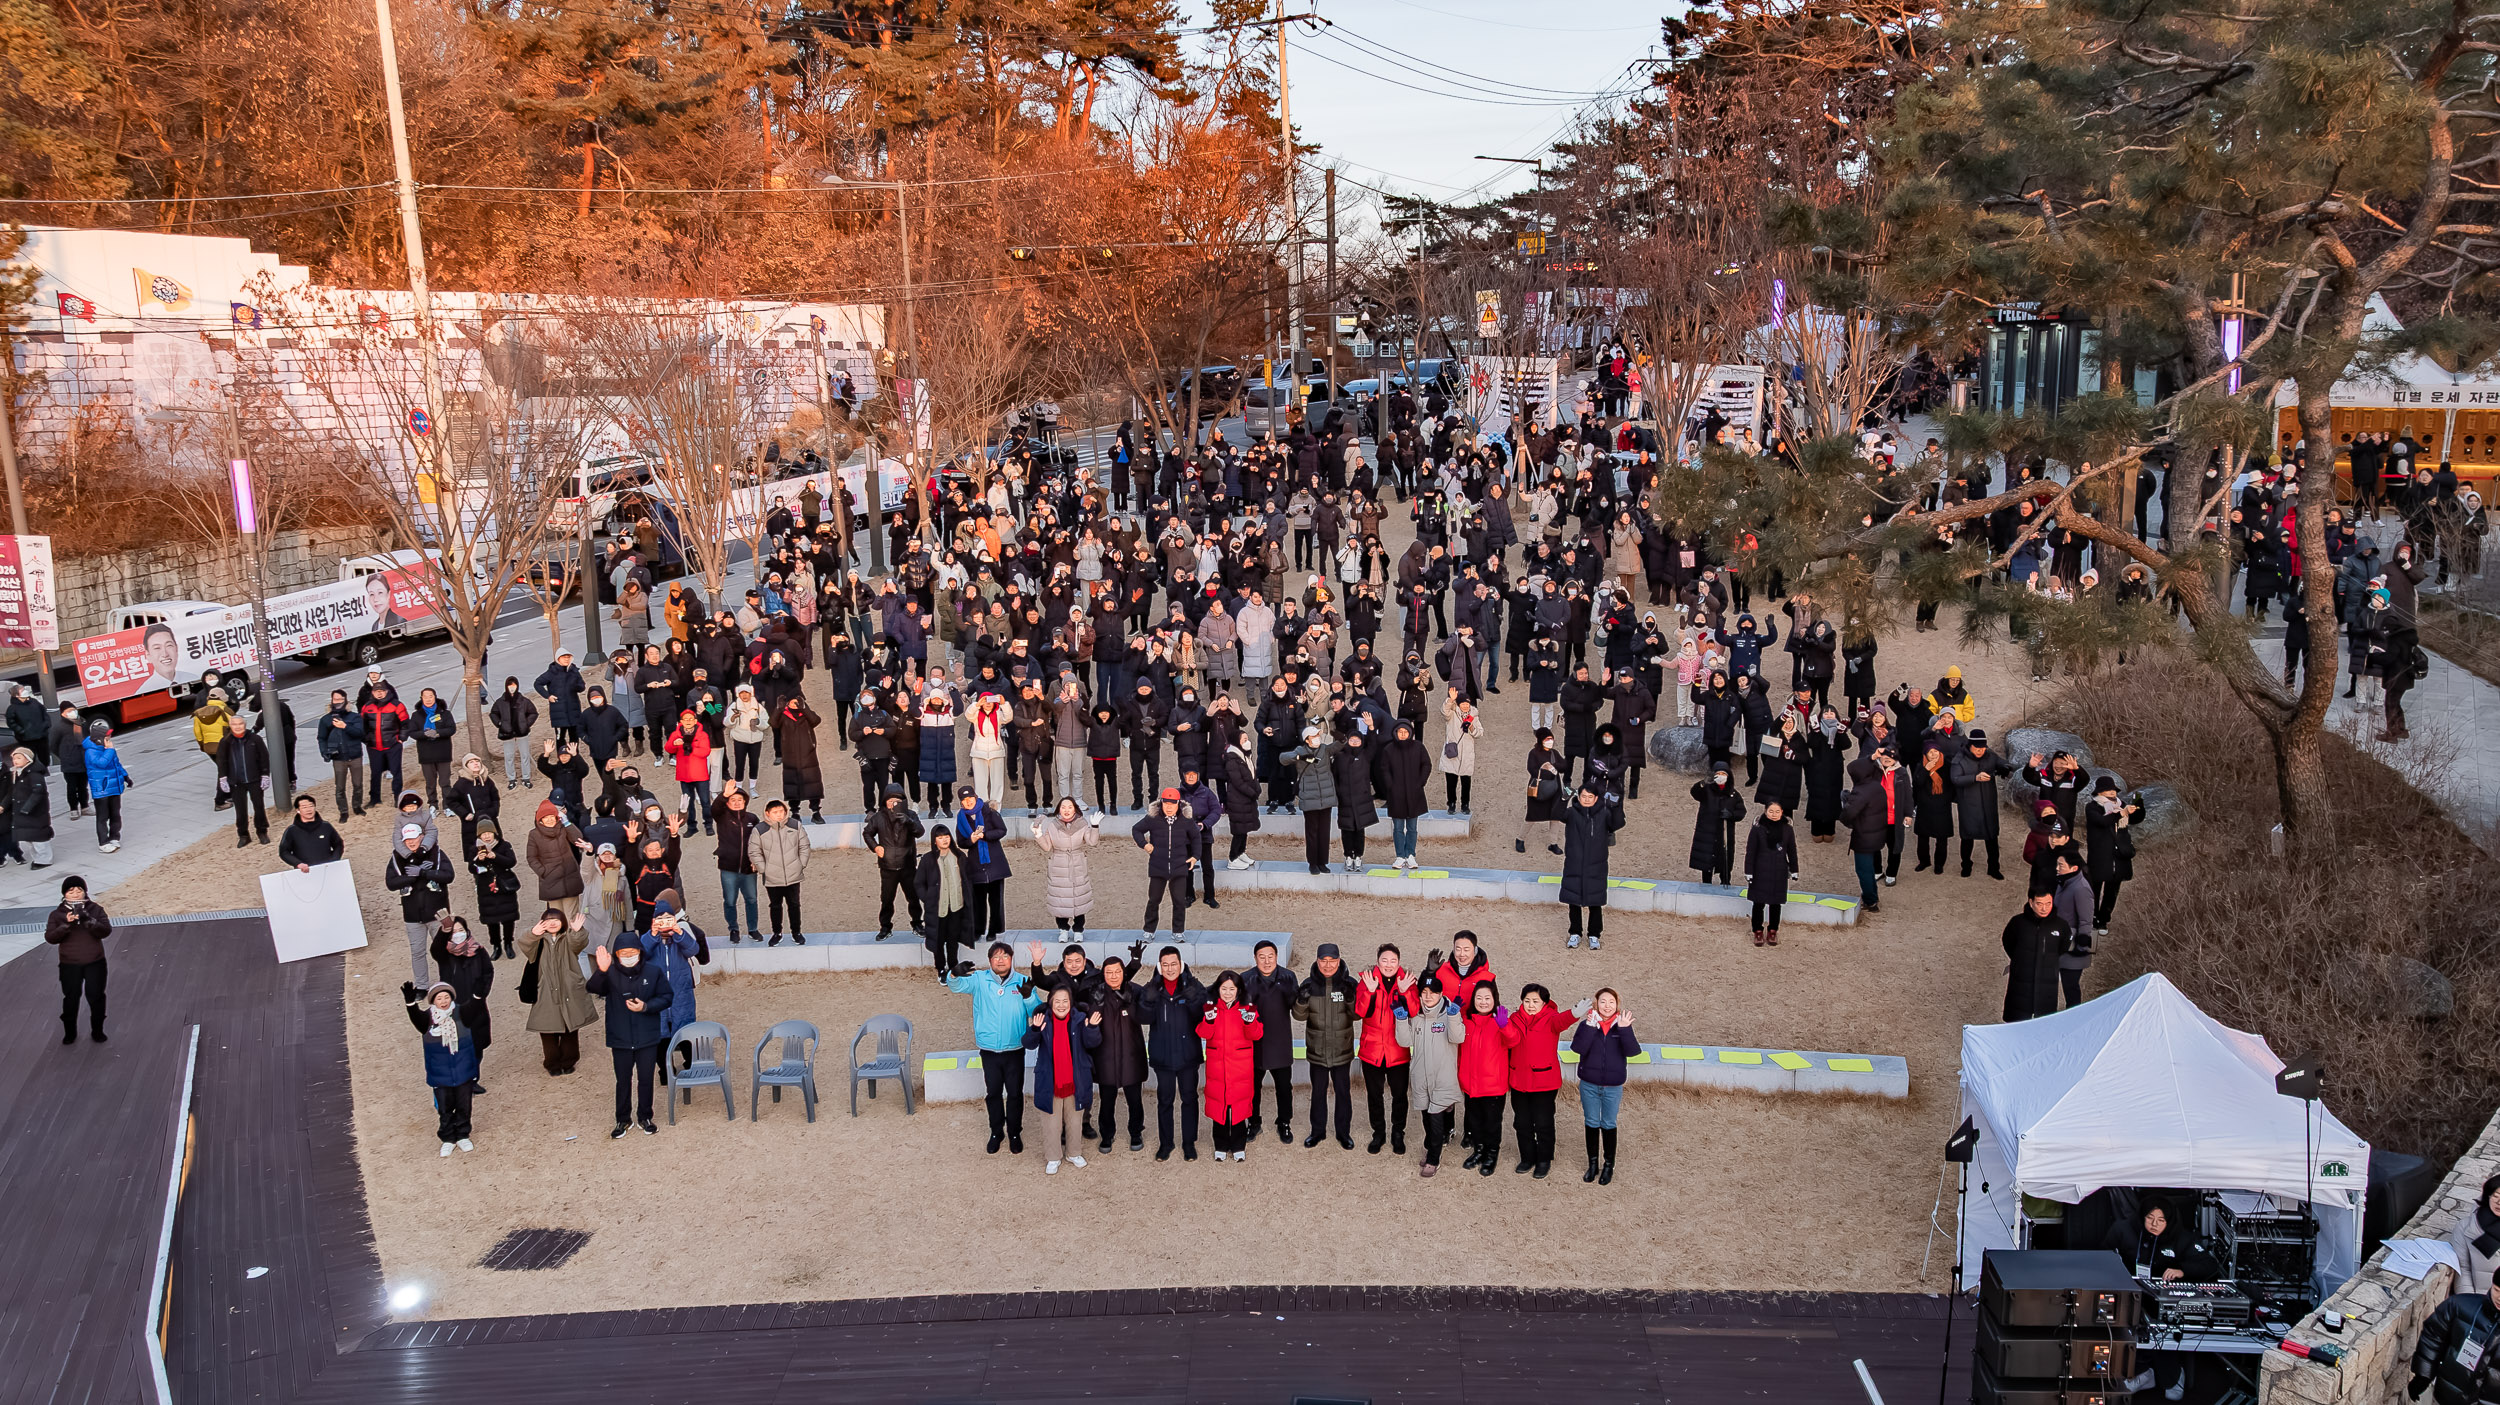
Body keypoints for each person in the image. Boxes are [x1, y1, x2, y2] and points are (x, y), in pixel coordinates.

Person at [946, 941, 1041, 1154]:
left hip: (1015, 1048)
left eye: (1005, 956)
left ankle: (1015, 1132)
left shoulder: (1023, 981)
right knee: (994, 1092)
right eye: (996, 957)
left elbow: (1036, 1012)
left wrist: (1027, 997)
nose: (1000, 960)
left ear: (1011, 959)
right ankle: (996, 1132)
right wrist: (953, 974)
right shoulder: (980, 979)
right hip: (989, 1049)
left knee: (1015, 1094)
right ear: (990, 960)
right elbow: (956, 986)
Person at [586, 935, 673, 1137]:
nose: (628, 957)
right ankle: (622, 1120)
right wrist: (602, 969)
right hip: (621, 1037)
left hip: (647, 1037)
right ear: (616, 955)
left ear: (640, 952)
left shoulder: (653, 972)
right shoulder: (610, 972)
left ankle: (645, 1116)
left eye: (632, 953)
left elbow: (667, 997)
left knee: (645, 1079)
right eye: (623, 954)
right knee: (623, 1080)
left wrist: (646, 1006)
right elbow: (593, 988)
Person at [1135, 944, 1209, 1161]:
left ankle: (1189, 1143)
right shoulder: (1152, 988)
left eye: (1173, 964)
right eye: (1165, 965)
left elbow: (1203, 1016)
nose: (1169, 969)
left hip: (1188, 1055)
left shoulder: (1193, 985)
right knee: (1165, 1100)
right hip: (1163, 1056)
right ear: (1159, 966)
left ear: (1181, 964)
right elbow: (1144, 1019)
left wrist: (1194, 999)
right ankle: (1166, 1143)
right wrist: (1148, 1001)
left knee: (1190, 1098)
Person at [1022, 983, 1102, 1174]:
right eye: (1056, 1001)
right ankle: (1053, 1156)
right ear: (1050, 1003)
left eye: (1065, 1001)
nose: (1061, 1005)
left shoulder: (1080, 1019)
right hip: (1050, 1081)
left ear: (1070, 1003)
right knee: (1052, 1123)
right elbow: (1028, 1044)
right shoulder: (1043, 1020)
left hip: (1076, 1081)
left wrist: (1091, 1027)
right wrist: (1034, 1029)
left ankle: (1074, 1153)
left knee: (1075, 1121)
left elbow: (1093, 1043)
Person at [1501, 983, 1575, 1177]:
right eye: (1527, 1001)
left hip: (1544, 1082)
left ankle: (1544, 1159)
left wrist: (1575, 1013)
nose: (1531, 1005)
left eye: (1535, 1001)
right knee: (1522, 1123)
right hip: (1519, 1080)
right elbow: (1509, 1041)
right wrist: (1502, 1025)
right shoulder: (1514, 1019)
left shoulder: (1551, 1019)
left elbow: (1563, 1020)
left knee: (1543, 1123)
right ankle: (1527, 1157)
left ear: (1545, 1003)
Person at [1397, 974, 1466, 1177]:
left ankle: (1434, 1159)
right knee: (1427, 1117)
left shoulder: (1450, 1012)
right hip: (1421, 1076)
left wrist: (1453, 1016)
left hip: (1442, 1078)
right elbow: (1404, 1041)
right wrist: (1401, 1019)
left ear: (1441, 994)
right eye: (1424, 993)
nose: (1428, 997)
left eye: (1433, 993)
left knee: (1435, 1119)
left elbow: (1458, 1037)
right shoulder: (1416, 1014)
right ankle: (1432, 1148)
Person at [404, 979, 482, 1155]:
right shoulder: (427, 1020)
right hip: (440, 1073)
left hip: (463, 1070)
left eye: (447, 997)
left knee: (464, 1105)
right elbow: (415, 1017)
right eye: (439, 998)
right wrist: (410, 1003)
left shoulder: (461, 1013)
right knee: (445, 1108)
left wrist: (478, 994)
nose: (444, 1001)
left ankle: (463, 1135)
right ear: (433, 1001)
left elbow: (475, 1007)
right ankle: (448, 1138)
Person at [1354, 944, 1419, 1155]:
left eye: (1393, 961)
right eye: (1384, 960)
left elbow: (1415, 1010)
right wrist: (1370, 992)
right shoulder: (1367, 980)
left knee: (1400, 1095)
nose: (1388, 965)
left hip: (1398, 1049)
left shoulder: (1407, 981)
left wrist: (1404, 992)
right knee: (1375, 1094)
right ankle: (1379, 1132)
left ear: (1398, 962)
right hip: (1372, 1049)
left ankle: (1398, 1132)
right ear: (1378, 961)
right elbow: (1359, 1011)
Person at [1571, 987, 1640, 1184]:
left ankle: (1608, 1165)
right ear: (1596, 1004)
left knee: (1609, 1123)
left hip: (1613, 1086)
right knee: (1591, 1122)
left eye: (1611, 1002)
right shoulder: (1588, 1024)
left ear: (1617, 1004)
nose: (1607, 1006)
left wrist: (1625, 1030)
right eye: (1603, 1001)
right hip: (1589, 1084)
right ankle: (1592, 1164)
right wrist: (1590, 1028)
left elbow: (1633, 1051)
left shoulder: (1622, 1025)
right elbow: (1578, 1048)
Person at [1295, 942, 1360, 1150]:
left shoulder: (1349, 983)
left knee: (1343, 1092)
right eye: (1324, 961)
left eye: (1332, 961)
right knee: (1318, 1092)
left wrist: (1351, 999)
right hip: (1317, 1050)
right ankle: (1317, 1132)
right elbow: (1298, 1015)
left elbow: (1357, 1015)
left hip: (1342, 1049)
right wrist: (1302, 1001)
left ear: (1339, 961)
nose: (1328, 965)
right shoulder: (1309, 984)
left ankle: (1343, 1133)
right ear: (1317, 961)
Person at [518, 906, 596, 1076]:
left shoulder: (567, 939)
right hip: (545, 990)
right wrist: (533, 933)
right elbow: (524, 944)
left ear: (563, 922)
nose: (552, 923)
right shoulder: (538, 941)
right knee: (547, 1029)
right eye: (548, 920)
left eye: (556, 919)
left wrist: (577, 931)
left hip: (569, 989)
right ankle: (552, 1063)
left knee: (570, 1027)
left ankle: (569, 1061)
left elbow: (579, 943)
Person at [1198, 970, 1265, 1161]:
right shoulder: (1211, 1008)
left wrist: (1250, 1022)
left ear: (1239, 990)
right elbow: (1202, 1032)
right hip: (1217, 1067)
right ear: (1217, 989)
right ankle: (1220, 1145)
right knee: (1219, 1109)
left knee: (1238, 1109)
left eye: (1232, 989)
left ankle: (1238, 1146)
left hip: (1240, 1068)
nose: (1227, 993)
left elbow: (1257, 1034)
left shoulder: (1246, 1008)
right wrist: (1209, 1020)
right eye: (1224, 988)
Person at [1240, 939, 1299, 1143]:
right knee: (1252, 1088)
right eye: (1261, 957)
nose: (1266, 961)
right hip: (1253, 1044)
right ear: (1255, 958)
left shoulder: (1288, 976)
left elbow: (1296, 1007)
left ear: (1277, 957)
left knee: (1284, 1087)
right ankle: (1253, 1123)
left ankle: (1284, 1122)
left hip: (1280, 1040)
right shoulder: (1245, 979)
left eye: (1270, 956)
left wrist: (1294, 996)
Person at [1089, 954, 1148, 1153]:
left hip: (1132, 1054)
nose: (1114, 976)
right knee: (1106, 1101)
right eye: (1109, 972)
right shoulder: (1096, 994)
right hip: (1106, 1056)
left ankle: (1136, 1132)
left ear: (1124, 973)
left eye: (1117, 972)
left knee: (1134, 1099)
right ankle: (1107, 1135)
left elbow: (1150, 1002)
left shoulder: (1135, 991)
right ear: (1102, 974)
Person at [2410, 1278, 2500, 1405]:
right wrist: (2423, 1374)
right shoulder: (2459, 1305)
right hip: (2447, 1396)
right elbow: (2433, 1337)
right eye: (2497, 1290)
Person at [384, 822, 454, 985]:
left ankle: (447, 981)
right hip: (413, 915)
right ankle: (422, 985)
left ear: (422, 837)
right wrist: (412, 877)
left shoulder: (436, 853)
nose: (411, 842)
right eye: (407, 839)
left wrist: (425, 872)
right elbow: (391, 883)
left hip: (438, 913)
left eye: (414, 837)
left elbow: (449, 875)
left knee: (444, 949)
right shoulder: (397, 857)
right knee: (417, 952)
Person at [1558, 781, 1626, 950]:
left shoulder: (1604, 814)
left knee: (1595, 903)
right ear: (1578, 797)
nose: (1586, 800)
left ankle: (1594, 935)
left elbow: (1618, 824)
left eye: (1590, 797)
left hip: (1596, 865)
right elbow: (1556, 813)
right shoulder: (1572, 813)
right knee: (1574, 901)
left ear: (1596, 798)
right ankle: (1575, 933)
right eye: (1583, 796)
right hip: (1574, 864)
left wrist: (1617, 806)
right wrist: (1562, 799)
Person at [47, 876, 111, 1044]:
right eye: (71, 891)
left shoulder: (95, 909)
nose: (75, 894)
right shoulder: (57, 914)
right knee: (71, 997)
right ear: (64, 894)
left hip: (95, 962)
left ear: (85, 892)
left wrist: (88, 919)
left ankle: (97, 1030)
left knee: (96, 996)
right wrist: (66, 925)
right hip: (69, 964)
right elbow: (51, 938)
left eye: (79, 890)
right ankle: (70, 1032)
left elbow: (105, 931)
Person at [1456, 981, 1510, 1176]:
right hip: (1471, 1084)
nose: (1483, 1002)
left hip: (1493, 1085)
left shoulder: (1500, 1021)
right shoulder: (1467, 1021)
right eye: (1479, 998)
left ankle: (1491, 1154)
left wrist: (1504, 1027)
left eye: (1487, 998)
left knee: (1492, 1122)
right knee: (1474, 1121)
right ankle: (1478, 1151)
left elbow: (1513, 1040)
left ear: (1494, 999)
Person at [1132, 786, 1202, 935]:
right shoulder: (1153, 818)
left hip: (1179, 866)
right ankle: (1149, 931)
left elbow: (1196, 837)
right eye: (1166, 803)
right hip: (1158, 866)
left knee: (1179, 901)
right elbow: (1136, 829)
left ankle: (1178, 931)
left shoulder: (1186, 820)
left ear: (1179, 804)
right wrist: (1144, 844)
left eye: (1172, 804)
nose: (1169, 807)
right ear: (1161, 803)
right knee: (1154, 900)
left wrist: (1195, 856)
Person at [2001, 885, 2074, 1021]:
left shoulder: (2061, 925)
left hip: (2047, 979)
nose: (2044, 908)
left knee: (2044, 1022)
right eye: (2039, 904)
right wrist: (2020, 960)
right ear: (2031, 902)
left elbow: (2063, 946)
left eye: (2048, 903)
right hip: (2021, 978)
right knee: (2017, 1020)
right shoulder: (2018, 923)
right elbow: (2008, 942)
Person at [1951, 728, 2012, 879]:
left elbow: (2004, 764)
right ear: (1970, 745)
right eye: (1977, 748)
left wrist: (2007, 768)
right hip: (1968, 805)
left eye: (1983, 748)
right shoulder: (1959, 759)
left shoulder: (1990, 755)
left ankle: (1993, 867)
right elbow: (1955, 779)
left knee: (1991, 837)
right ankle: (1966, 865)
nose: (1980, 751)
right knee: (1967, 837)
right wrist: (1975, 778)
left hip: (1988, 804)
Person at [953, 784, 1012, 942]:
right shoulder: (961, 818)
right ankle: (978, 929)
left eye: (970, 798)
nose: (968, 802)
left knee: (995, 900)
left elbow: (1001, 830)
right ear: (961, 802)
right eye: (964, 800)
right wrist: (970, 840)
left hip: (995, 863)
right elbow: (961, 842)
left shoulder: (989, 811)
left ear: (975, 797)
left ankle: (994, 929)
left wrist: (985, 835)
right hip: (975, 864)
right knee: (978, 901)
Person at [1032, 795, 1098, 932]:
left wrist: (1095, 826)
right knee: (1059, 900)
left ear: (1075, 809)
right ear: (1058, 810)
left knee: (1079, 898)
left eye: (1069, 807)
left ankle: (1078, 929)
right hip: (1058, 864)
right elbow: (1046, 847)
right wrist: (1038, 834)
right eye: (1063, 807)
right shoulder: (1053, 825)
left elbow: (1092, 842)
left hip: (1077, 863)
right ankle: (1063, 929)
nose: (1066, 810)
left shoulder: (1082, 823)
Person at [868, 784, 924, 939]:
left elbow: (920, 832)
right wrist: (875, 847)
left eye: (897, 801)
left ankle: (917, 923)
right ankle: (885, 927)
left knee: (913, 897)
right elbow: (867, 833)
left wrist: (909, 821)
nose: (893, 804)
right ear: (885, 801)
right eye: (890, 800)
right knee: (886, 899)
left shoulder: (910, 815)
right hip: (887, 866)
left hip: (908, 865)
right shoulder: (878, 817)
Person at [754, 799, 810, 945]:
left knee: (794, 904)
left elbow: (804, 846)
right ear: (768, 813)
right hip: (772, 876)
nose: (779, 815)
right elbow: (754, 851)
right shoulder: (759, 829)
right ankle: (777, 933)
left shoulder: (795, 825)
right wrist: (763, 869)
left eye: (781, 811)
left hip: (793, 874)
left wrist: (801, 864)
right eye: (775, 812)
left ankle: (796, 932)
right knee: (775, 905)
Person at [1743, 800, 1799, 946]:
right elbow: (1750, 851)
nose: (1774, 815)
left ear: (1782, 812)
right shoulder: (1757, 828)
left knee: (1776, 903)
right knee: (1758, 903)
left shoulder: (1787, 829)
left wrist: (1794, 869)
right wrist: (1748, 871)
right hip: (1760, 870)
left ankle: (1773, 930)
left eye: (1777, 812)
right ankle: (1758, 931)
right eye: (1771, 811)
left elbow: (1792, 850)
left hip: (1779, 871)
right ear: (1765, 811)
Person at [467, 821, 523, 958]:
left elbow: (511, 862)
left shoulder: (504, 845)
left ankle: (508, 944)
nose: (487, 836)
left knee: (508, 918)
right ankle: (496, 946)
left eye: (489, 833)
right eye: (483, 834)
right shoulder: (474, 849)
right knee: (491, 920)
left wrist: (496, 856)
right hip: (486, 889)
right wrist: (478, 860)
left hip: (504, 887)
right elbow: (471, 868)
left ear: (494, 833)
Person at [215, 716, 270, 846]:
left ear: (244, 725)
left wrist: (265, 774)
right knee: (240, 810)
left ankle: (262, 831)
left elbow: (264, 757)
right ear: (230, 726)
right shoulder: (225, 742)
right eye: (235, 724)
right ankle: (243, 835)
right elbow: (221, 761)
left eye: (240, 724)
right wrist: (223, 778)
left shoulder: (255, 739)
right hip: (236, 782)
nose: (238, 726)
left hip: (254, 779)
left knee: (259, 807)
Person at [82, 721, 130, 852]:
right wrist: (109, 750)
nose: (109, 740)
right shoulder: (91, 751)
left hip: (115, 786)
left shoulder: (108, 748)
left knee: (115, 814)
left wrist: (125, 776)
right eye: (106, 738)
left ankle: (115, 837)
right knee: (102, 816)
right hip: (102, 789)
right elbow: (101, 763)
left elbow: (117, 764)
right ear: (98, 739)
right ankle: (103, 842)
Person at [279, 794, 345, 871]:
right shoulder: (291, 831)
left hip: (328, 869)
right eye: (304, 807)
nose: (309, 809)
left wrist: (334, 860)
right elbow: (284, 852)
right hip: (305, 871)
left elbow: (338, 844)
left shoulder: (326, 826)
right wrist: (298, 863)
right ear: (298, 810)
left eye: (311, 806)